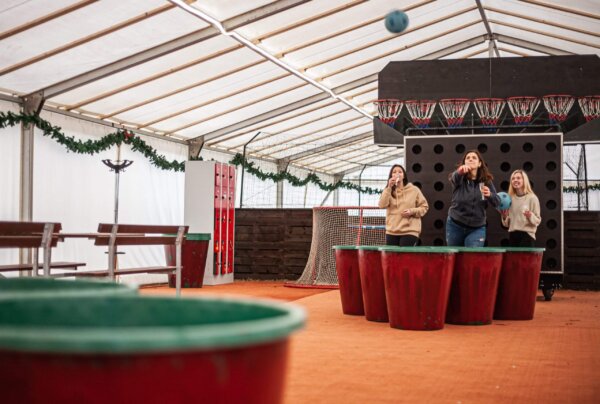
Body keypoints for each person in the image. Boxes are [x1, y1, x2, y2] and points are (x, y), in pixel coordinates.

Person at [446, 150, 500, 247]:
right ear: (464, 163)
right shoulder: (459, 177)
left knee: (472, 258)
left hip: (477, 228)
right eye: (468, 158)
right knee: (454, 258)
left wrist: (490, 195)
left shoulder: (486, 181)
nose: (471, 159)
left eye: (474, 158)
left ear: (479, 164)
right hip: (455, 225)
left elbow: (497, 202)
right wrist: (459, 172)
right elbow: (454, 178)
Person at [378, 164, 429, 246]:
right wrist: (388, 187)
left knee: (404, 256)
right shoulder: (388, 191)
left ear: (404, 176)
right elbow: (382, 205)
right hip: (392, 231)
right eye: (394, 172)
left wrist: (412, 211)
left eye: (400, 172)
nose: (397, 174)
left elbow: (424, 207)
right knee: (392, 257)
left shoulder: (414, 190)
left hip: (410, 230)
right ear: (391, 176)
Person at [500, 169, 541, 247]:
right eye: (513, 178)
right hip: (512, 236)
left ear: (524, 180)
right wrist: (504, 217)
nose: (515, 180)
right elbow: (507, 225)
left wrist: (530, 216)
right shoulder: (510, 199)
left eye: (518, 178)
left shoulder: (532, 198)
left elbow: (537, 221)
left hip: (527, 236)